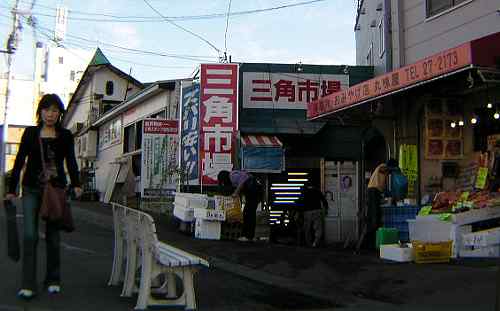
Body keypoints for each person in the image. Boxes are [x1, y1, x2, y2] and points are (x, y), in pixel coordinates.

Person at [5, 94, 82, 300]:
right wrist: (12, 189)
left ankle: (53, 279)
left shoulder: (65, 135)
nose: (51, 114)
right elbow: (20, 160)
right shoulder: (30, 133)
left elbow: (71, 161)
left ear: (60, 114)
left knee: (53, 237)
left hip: (56, 191)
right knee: (30, 235)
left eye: (55, 110)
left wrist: (76, 184)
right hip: (31, 189)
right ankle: (28, 284)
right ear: (40, 112)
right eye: (47, 110)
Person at [217, 170, 262, 242]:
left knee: (248, 213)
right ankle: (250, 236)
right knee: (250, 213)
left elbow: (243, 180)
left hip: (253, 190)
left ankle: (248, 236)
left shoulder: (232, 176)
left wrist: (236, 192)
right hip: (255, 191)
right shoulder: (234, 176)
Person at [365, 159, 398, 248]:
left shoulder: (384, 171)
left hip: (375, 192)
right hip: (373, 191)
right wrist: (393, 170)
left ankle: (373, 241)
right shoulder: (382, 166)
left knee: (376, 216)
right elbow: (385, 169)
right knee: (374, 217)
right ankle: (370, 242)